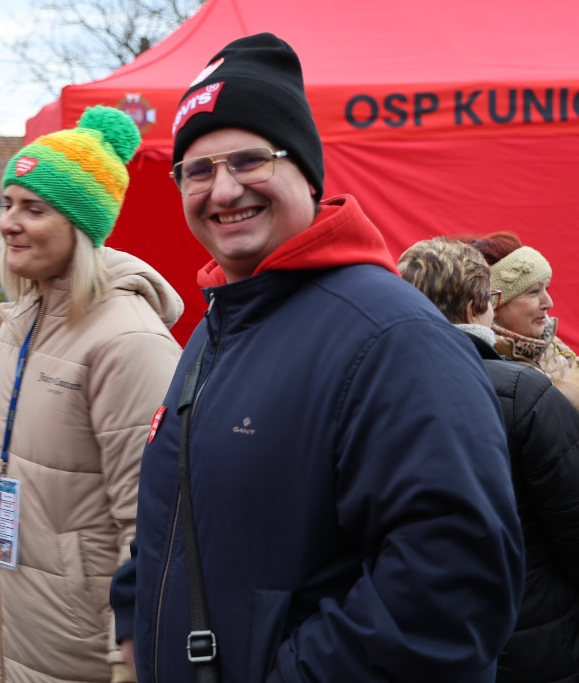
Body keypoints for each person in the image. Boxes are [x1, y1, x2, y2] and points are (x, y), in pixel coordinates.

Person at [111, 34, 524, 682]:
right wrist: (133, 623)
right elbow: (183, 511)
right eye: (198, 168)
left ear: (305, 170)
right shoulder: (217, 327)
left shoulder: (391, 337)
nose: (222, 190)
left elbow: (450, 590)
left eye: (249, 160)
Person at [0, 106, 184, 682]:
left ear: (82, 226)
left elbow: (155, 524)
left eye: (33, 209)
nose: (10, 222)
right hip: (12, 622)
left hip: (86, 646)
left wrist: (132, 656)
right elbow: (1, 474)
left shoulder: (129, 341)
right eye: (8, 204)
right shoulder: (24, 320)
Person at [398, 236, 579, 682]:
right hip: (528, 630)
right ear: (482, 306)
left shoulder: (374, 390)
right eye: (532, 291)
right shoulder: (524, 393)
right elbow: (572, 519)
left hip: (419, 631)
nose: (548, 303)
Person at [470, 231, 579, 409]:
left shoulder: (549, 343)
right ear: (493, 303)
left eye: (547, 288)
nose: (549, 302)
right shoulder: (485, 363)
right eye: (534, 292)